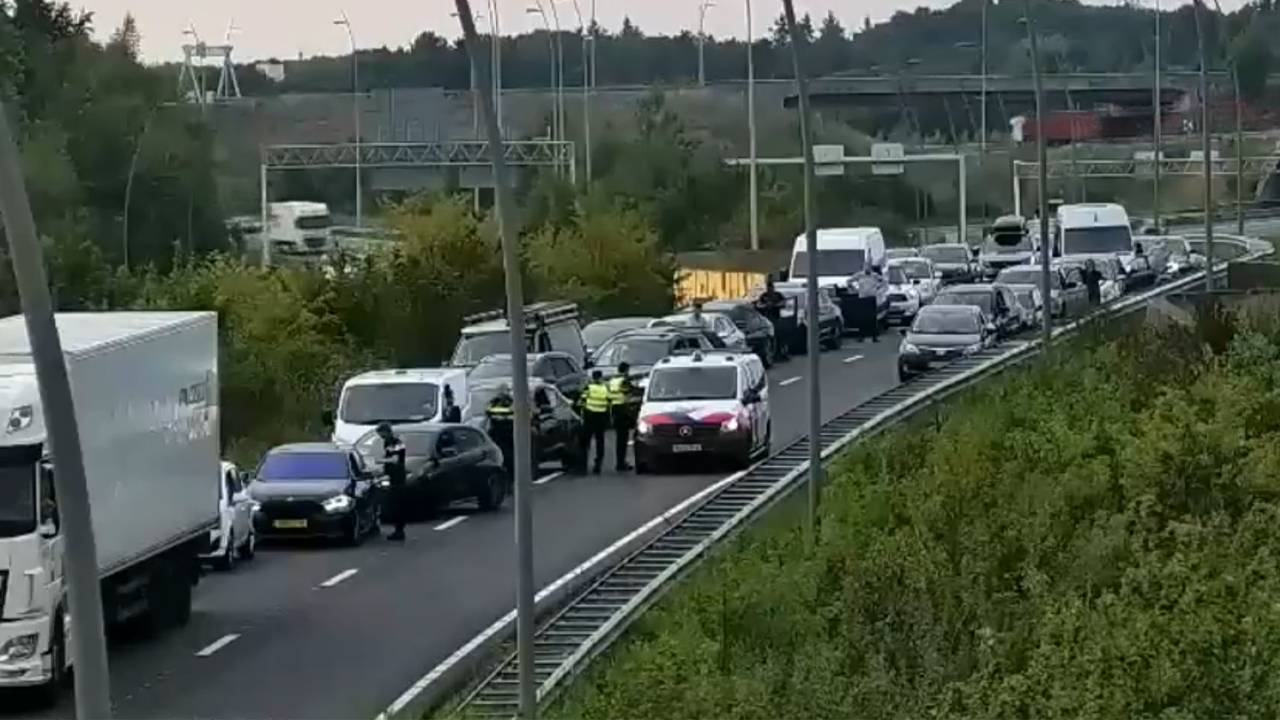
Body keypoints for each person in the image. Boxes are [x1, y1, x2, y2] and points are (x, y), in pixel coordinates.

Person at [376, 422, 407, 541]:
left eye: (381, 434)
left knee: (398, 504)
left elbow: (395, 459)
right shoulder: (387, 443)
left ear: (387, 432)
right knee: (393, 504)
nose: (381, 437)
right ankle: (397, 529)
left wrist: (381, 460)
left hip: (398, 478)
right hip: (392, 476)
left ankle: (399, 530)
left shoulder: (397, 443)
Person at [608, 362, 641, 472]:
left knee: (619, 439)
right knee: (623, 439)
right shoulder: (623, 381)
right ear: (626, 370)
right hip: (623, 410)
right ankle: (621, 463)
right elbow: (631, 391)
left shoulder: (612, 381)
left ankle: (620, 462)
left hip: (614, 410)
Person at [578, 369, 612, 474]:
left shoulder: (588, 387)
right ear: (601, 377)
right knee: (599, 441)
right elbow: (609, 401)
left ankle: (582, 465)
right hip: (601, 417)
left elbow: (582, 400)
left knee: (585, 442)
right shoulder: (605, 388)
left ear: (593, 378)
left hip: (589, 416)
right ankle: (598, 464)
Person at [754, 278, 790, 360]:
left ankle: (781, 352)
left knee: (779, 336)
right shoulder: (764, 296)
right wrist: (765, 305)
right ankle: (771, 353)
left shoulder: (778, 295)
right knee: (769, 337)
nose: (770, 290)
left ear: (773, 288)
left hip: (776, 319)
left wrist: (774, 305)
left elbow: (784, 303)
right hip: (766, 320)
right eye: (768, 288)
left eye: (771, 288)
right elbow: (758, 305)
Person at [485, 384, 515, 476]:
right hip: (497, 431)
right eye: (502, 391)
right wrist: (502, 416)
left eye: (505, 390)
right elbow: (488, 410)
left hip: (509, 431)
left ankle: (510, 471)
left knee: (510, 453)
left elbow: (515, 411)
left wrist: (500, 416)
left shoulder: (511, 401)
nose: (503, 393)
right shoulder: (494, 401)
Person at [854, 267, 881, 343]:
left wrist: (878, 287)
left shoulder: (875, 275)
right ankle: (861, 336)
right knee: (862, 318)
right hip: (862, 299)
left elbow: (883, 281)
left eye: (869, 268)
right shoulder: (859, 275)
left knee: (873, 318)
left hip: (872, 298)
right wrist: (855, 289)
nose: (867, 270)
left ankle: (874, 337)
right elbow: (849, 281)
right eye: (866, 268)